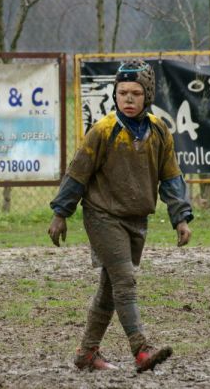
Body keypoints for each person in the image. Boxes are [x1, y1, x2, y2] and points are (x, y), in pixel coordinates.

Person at [48, 59, 193, 373]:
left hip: (136, 219)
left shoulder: (159, 131)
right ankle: (141, 350)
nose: (128, 98)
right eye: (122, 92)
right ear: (114, 95)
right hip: (102, 216)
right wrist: (61, 213)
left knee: (110, 289)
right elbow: (77, 174)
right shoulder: (102, 130)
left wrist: (180, 217)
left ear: (147, 95)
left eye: (135, 93)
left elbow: (171, 178)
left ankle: (86, 353)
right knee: (125, 280)